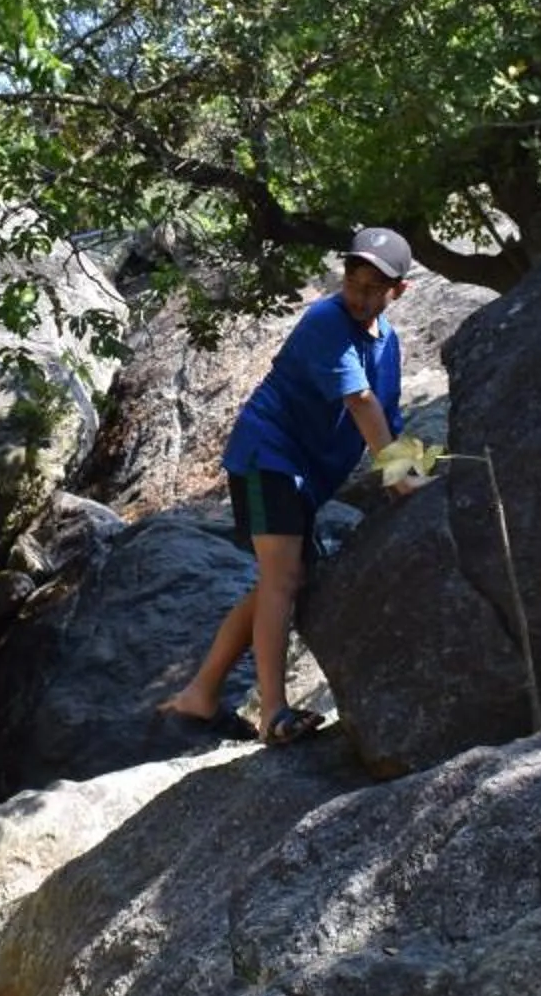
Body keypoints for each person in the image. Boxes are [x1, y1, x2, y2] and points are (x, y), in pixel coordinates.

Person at [159, 225, 417, 745]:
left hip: (301, 474)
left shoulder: (388, 343)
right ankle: (273, 713)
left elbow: (388, 415)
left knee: (283, 580)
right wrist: (398, 477)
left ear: (398, 292)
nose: (360, 296)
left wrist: (413, 475)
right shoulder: (326, 321)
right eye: (354, 282)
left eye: (373, 288)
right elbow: (361, 403)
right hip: (265, 457)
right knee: (283, 579)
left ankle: (199, 694)